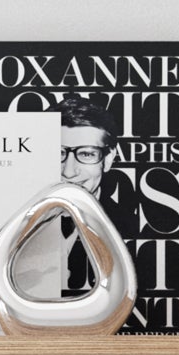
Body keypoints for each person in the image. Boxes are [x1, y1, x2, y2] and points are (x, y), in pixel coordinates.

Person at [56, 92, 122, 295]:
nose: (68, 171)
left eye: (86, 154)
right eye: (59, 153)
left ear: (108, 158)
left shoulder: (137, 230)